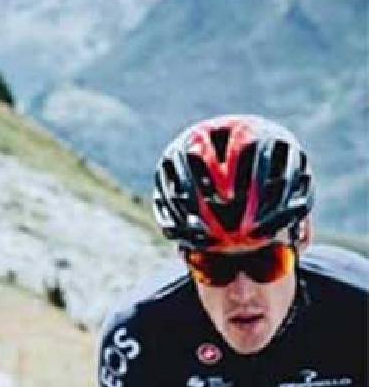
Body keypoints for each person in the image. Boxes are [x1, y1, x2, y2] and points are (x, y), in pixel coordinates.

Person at [97, 115, 368, 387]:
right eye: (214, 268)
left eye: (266, 263)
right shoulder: (138, 337)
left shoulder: (360, 311)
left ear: (303, 237)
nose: (242, 293)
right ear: (184, 258)